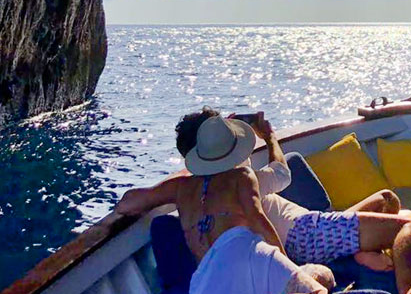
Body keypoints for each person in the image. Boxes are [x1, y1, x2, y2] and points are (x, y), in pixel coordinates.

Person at [173, 108, 411, 294]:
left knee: (386, 199)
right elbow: (282, 173)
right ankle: (409, 289)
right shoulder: (240, 180)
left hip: (308, 229)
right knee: (409, 227)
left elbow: (133, 202)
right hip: (305, 231)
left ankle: (357, 251)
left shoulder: (194, 192)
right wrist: (268, 136)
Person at [116, 113, 328, 294]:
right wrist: (286, 264)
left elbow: (126, 204)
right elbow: (260, 215)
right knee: (321, 280)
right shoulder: (242, 177)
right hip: (249, 261)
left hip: (206, 280)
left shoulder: (180, 188)